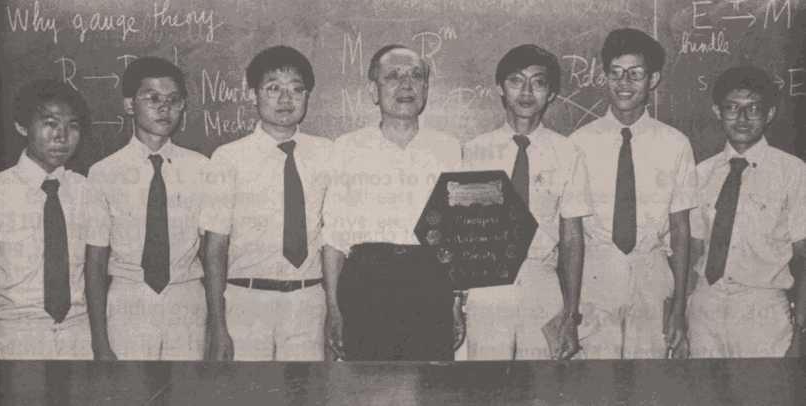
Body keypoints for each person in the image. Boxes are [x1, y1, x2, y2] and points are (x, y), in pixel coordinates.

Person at [323, 44, 463, 361]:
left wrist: (455, 301)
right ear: (374, 90)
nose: (406, 85)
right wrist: (333, 306)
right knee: (368, 388)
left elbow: (454, 236)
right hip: (367, 281)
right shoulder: (348, 147)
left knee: (430, 390)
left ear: (426, 88)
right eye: (393, 76)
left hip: (429, 283)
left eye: (416, 76)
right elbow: (334, 237)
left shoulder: (448, 149)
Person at [569, 28, 697, 359]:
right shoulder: (578, 143)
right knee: (593, 384)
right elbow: (568, 234)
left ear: (653, 79)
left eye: (636, 74)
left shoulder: (675, 144)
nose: (624, 82)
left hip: (651, 275)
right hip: (595, 277)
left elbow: (681, 231)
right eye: (616, 73)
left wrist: (680, 307)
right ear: (605, 76)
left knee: (648, 383)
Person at [201, 46, 332, 361]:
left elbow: (334, 239)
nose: (286, 100)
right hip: (246, 301)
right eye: (273, 88)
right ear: (252, 94)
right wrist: (218, 325)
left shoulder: (328, 154)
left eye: (296, 89)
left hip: (308, 300)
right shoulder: (228, 158)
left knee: (306, 394)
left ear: (307, 95)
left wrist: (331, 311)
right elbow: (214, 248)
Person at [461, 45, 592, 360]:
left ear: (551, 94)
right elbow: (460, 231)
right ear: (500, 89)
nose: (527, 91)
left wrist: (571, 315)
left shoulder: (567, 153)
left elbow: (572, 239)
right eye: (517, 81)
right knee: (486, 389)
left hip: (542, 285)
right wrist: (456, 301)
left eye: (539, 82)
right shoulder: (475, 151)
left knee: (541, 388)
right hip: (487, 286)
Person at [85, 57, 209, 360]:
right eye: (151, 98)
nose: (163, 107)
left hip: (187, 297)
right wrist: (99, 341)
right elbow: (95, 264)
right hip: (129, 298)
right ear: (129, 105)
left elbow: (212, 251)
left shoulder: (202, 169)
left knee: (186, 394)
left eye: (172, 99)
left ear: (182, 107)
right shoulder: (104, 173)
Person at [687, 66, 806, 358]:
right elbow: (694, 248)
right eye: (732, 108)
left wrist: (801, 330)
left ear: (770, 114)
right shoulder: (701, 173)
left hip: (762, 312)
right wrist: (682, 313)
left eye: (753, 109)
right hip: (706, 308)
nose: (742, 119)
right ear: (717, 111)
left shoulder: (793, 172)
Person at [0, 79, 92, 359]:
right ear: (22, 126)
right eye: (50, 123)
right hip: (15, 334)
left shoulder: (87, 190)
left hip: (78, 334)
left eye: (73, 126)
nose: (62, 136)